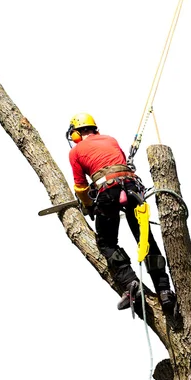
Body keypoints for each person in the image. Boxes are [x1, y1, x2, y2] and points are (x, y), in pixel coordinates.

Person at [67, 112, 176, 313]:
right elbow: (118, 164)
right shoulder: (110, 139)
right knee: (145, 239)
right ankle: (164, 291)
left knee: (106, 242)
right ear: (95, 129)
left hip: (108, 192)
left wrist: (89, 205)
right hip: (132, 188)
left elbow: (81, 187)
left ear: (75, 135)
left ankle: (130, 283)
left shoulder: (75, 152)